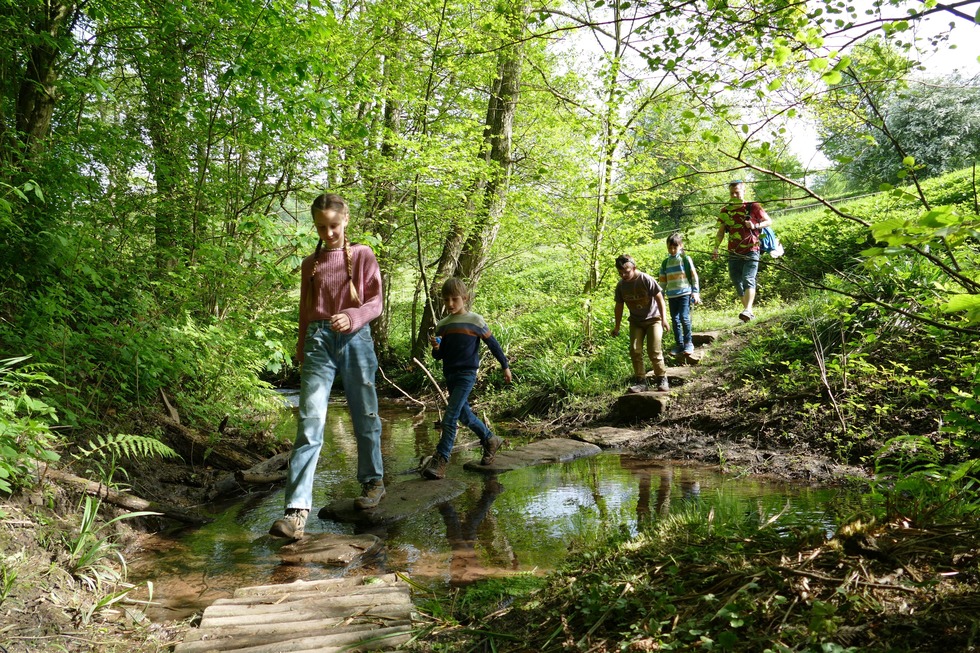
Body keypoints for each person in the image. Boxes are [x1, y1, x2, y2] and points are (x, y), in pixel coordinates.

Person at [270, 193, 385, 540]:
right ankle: (296, 511)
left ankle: (373, 483)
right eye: (321, 227)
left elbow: (376, 301)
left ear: (345, 220)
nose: (328, 232)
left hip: (356, 339)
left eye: (334, 225)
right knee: (310, 422)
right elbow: (306, 310)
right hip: (319, 341)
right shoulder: (311, 263)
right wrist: (302, 347)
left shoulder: (363, 254)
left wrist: (353, 316)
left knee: (364, 413)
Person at [422, 277, 512, 480]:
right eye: (446, 300)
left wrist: (505, 366)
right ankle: (490, 440)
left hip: (467, 374)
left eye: (454, 299)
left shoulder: (475, 321)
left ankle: (441, 460)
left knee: (450, 416)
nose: (450, 304)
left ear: (465, 298)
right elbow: (439, 356)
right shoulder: (443, 325)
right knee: (464, 415)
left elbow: (494, 345)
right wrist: (436, 348)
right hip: (450, 374)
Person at [712, 179, 772, 323]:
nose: (734, 195)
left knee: (748, 278)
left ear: (743, 191)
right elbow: (721, 232)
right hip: (733, 250)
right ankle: (748, 313)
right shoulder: (725, 211)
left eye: (737, 192)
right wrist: (715, 247)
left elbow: (768, 221)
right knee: (736, 280)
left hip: (752, 247)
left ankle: (748, 309)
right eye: (731, 193)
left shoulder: (753, 206)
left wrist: (755, 225)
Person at [611, 254, 670, 393]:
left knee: (654, 350)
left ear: (634, 268)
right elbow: (619, 306)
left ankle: (662, 378)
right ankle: (641, 381)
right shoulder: (621, 286)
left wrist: (664, 319)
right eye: (620, 273)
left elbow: (660, 299)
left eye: (626, 272)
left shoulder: (646, 279)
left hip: (654, 319)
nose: (623, 275)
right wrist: (617, 327)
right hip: (636, 322)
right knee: (635, 350)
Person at [658, 233, 701, 357]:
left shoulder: (685, 259)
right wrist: (660, 295)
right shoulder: (665, 263)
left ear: (680, 246)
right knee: (675, 320)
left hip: (685, 293)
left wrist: (695, 292)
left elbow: (694, 276)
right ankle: (679, 344)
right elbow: (662, 282)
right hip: (672, 296)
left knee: (684, 317)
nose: (672, 250)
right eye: (669, 248)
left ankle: (689, 343)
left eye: (674, 247)